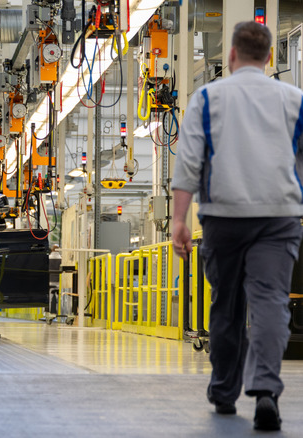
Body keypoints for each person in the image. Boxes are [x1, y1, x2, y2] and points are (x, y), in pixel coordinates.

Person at [171, 21, 303, 431]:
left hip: (223, 219)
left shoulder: (208, 98)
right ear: (269, 58)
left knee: (226, 306)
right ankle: (266, 391)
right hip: (279, 217)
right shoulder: (294, 99)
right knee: (270, 303)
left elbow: (189, 161)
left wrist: (179, 219)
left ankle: (224, 391)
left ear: (231, 56)